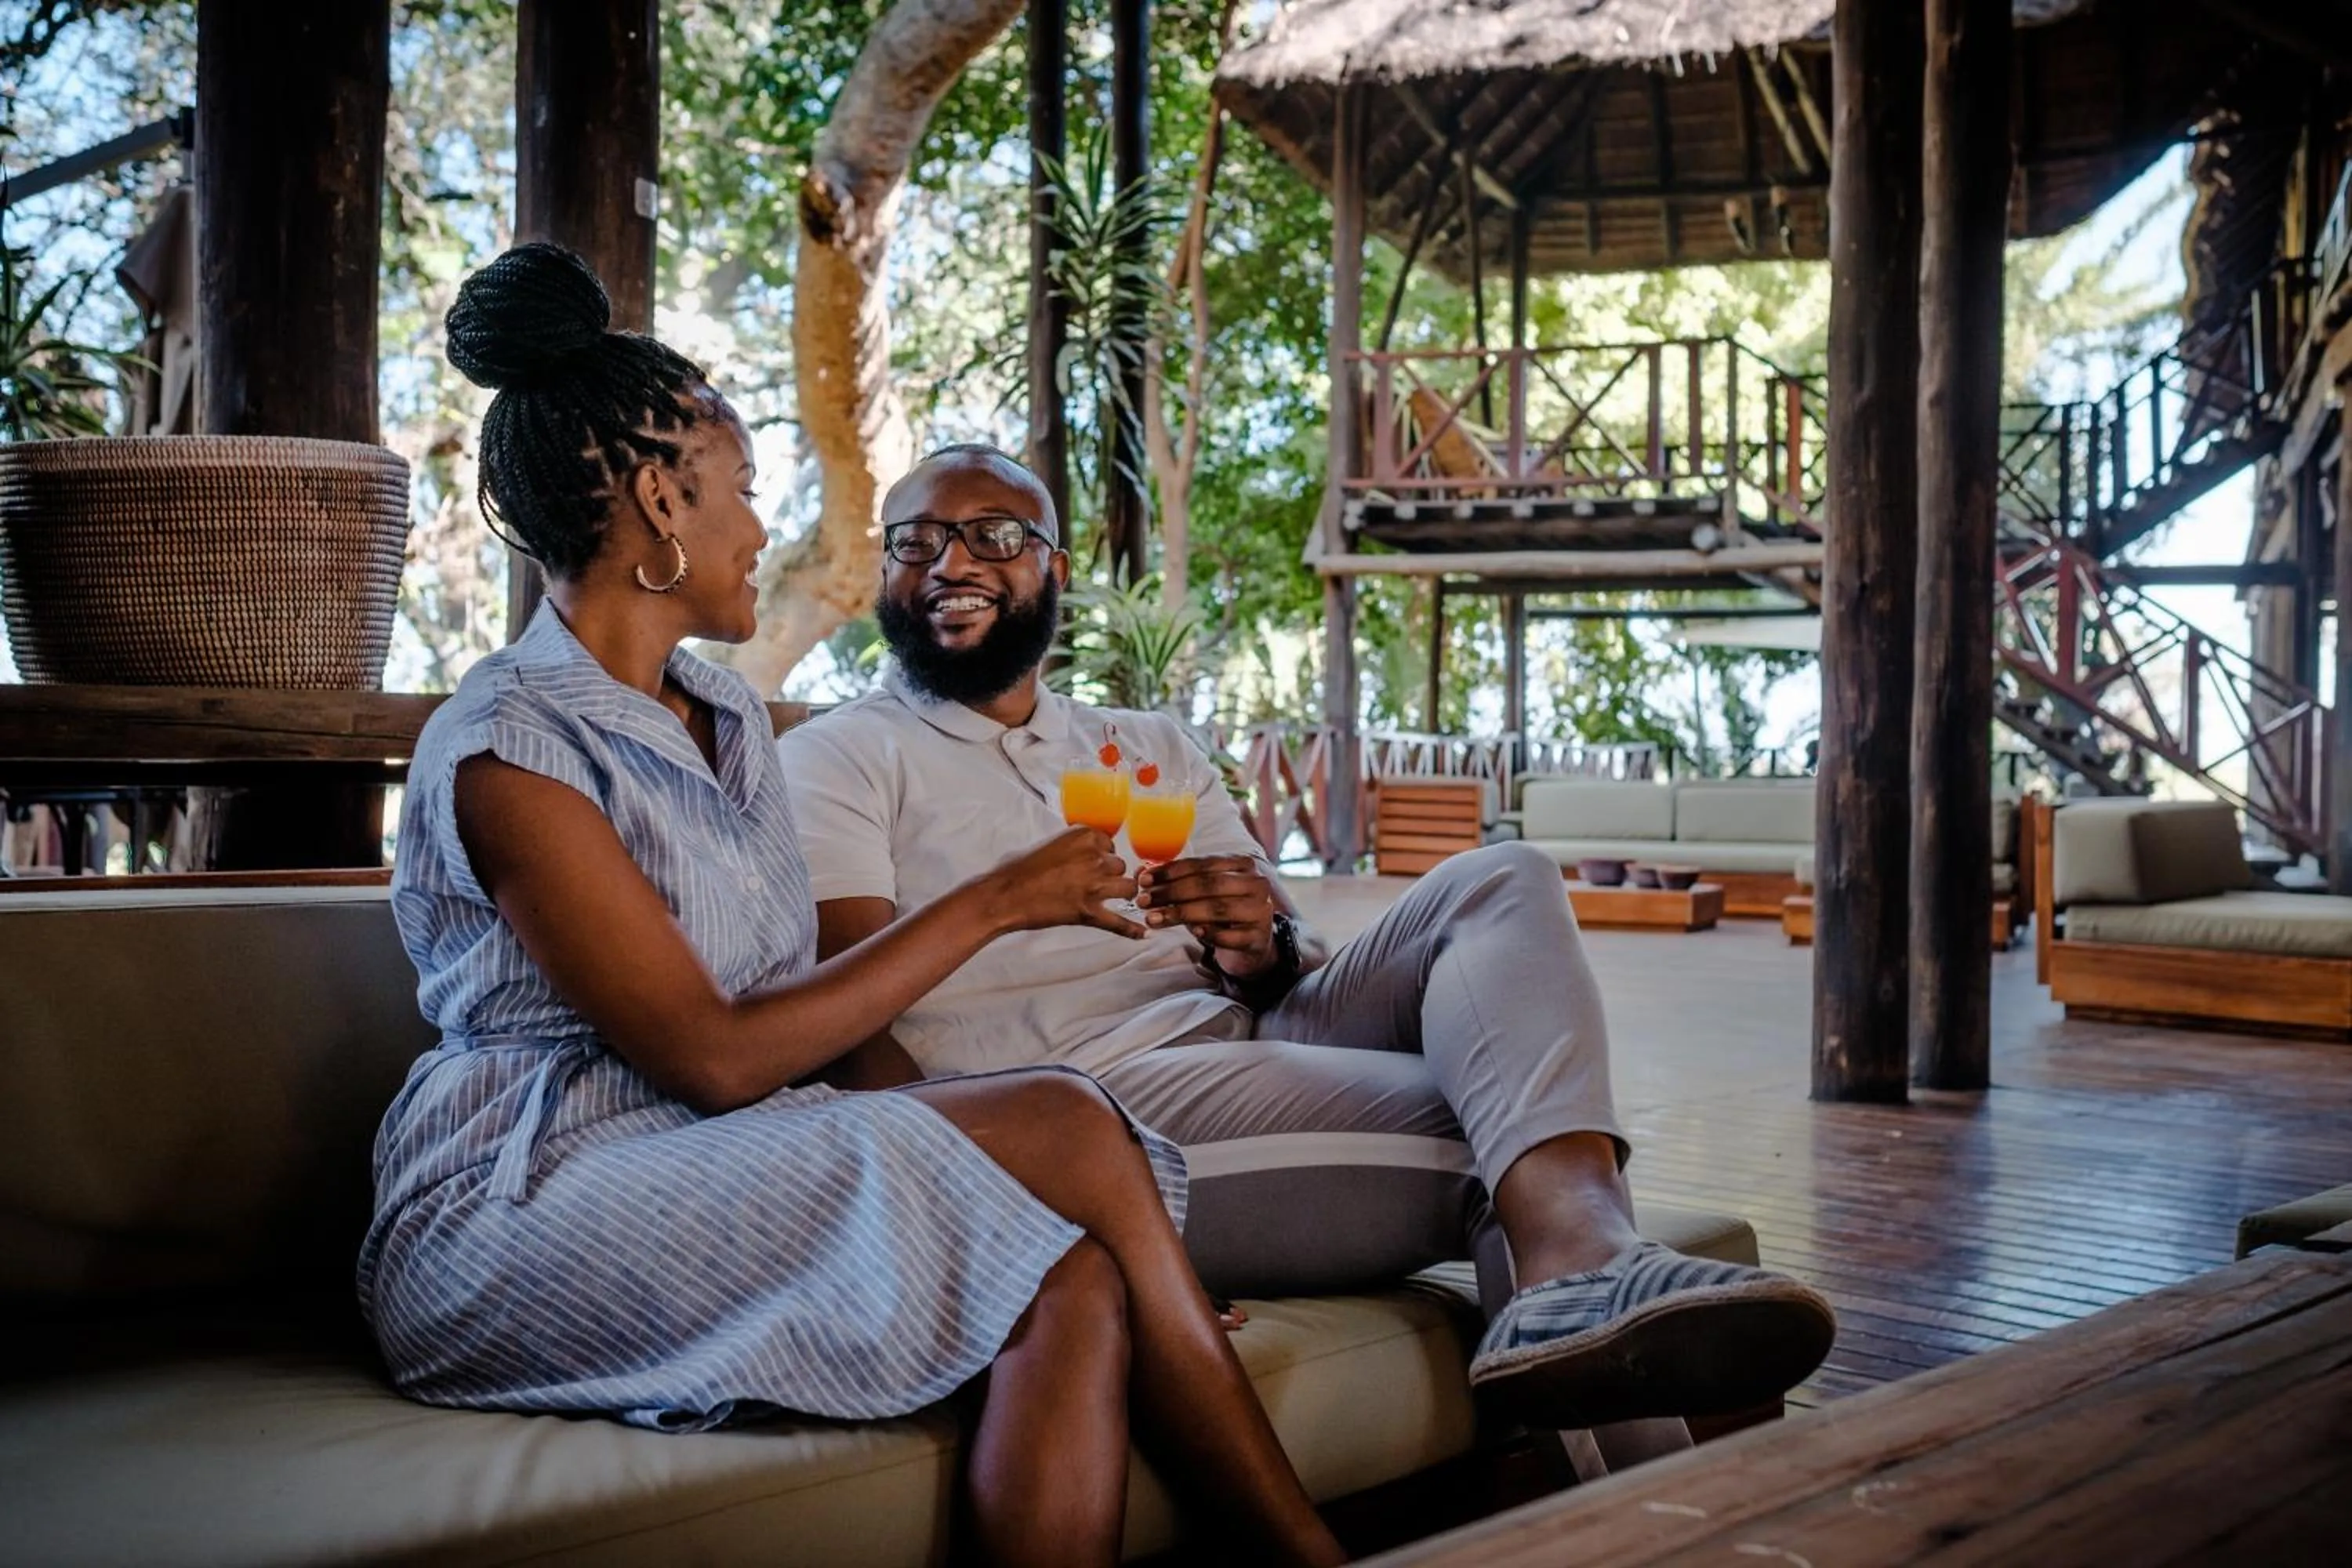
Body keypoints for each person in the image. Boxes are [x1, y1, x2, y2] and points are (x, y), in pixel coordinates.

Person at [358, 245, 1345, 1568]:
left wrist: (1123, 1234)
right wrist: (994, 904)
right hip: (532, 1199)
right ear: (662, 498)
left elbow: (805, 1025)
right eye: (745, 493)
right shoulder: (509, 746)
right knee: (1061, 1117)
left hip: (732, 1152)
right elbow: (712, 1056)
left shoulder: (726, 718)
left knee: (1079, 1281)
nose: (764, 532)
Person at [779, 444, 1838, 1432]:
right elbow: (850, 1021)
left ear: (1054, 568)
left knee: (1502, 878)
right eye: (917, 539)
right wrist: (1015, 1218)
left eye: (994, 535)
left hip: (1240, 1035)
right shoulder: (844, 757)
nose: (951, 559)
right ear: (885, 574)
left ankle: (1581, 1270)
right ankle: (1621, 1397)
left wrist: (1256, 941)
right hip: (1089, 1102)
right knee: (1518, 1143)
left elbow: (1282, 963)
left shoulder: (1142, 746)